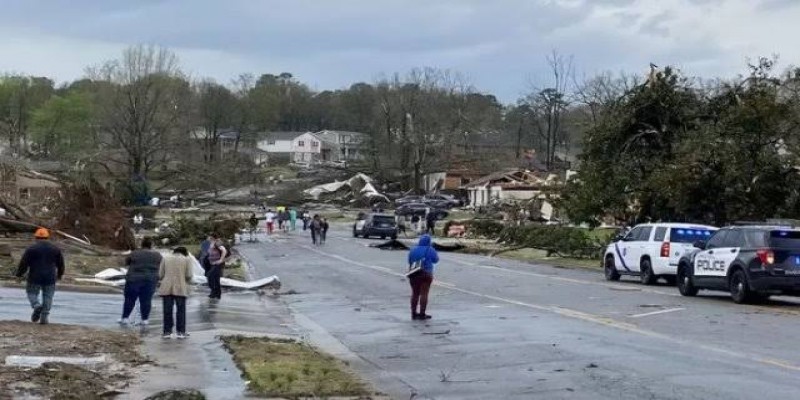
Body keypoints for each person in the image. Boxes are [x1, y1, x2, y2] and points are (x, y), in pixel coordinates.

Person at [15, 228, 65, 325]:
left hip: (34, 276)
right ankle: (44, 318)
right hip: (50, 277)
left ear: (36, 237)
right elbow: (61, 264)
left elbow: (24, 264)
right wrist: (59, 274)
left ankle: (36, 305)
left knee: (31, 293)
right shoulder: (55, 249)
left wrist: (19, 274)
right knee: (48, 296)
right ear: (47, 237)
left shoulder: (31, 249)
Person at [119, 237, 163, 326]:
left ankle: (125, 318)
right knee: (146, 300)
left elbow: (126, 262)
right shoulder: (158, 255)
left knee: (130, 299)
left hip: (133, 279)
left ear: (142, 245)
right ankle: (145, 319)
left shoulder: (134, 253)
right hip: (150, 280)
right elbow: (161, 265)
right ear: (151, 245)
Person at [159, 246, 194, 339]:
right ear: (184, 252)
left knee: (167, 311)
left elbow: (160, 274)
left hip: (166, 287)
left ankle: (167, 332)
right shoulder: (187, 259)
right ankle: (181, 332)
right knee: (181, 310)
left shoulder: (165, 258)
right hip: (181, 287)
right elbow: (189, 275)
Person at [407, 234, 439, 320]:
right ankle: (422, 314)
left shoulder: (413, 249)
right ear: (429, 242)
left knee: (415, 293)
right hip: (426, 273)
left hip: (413, 273)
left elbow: (409, 260)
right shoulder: (430, 249)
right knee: (424, 294)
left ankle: (413, 313)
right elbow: (436, 260)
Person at [206, 233, 227, 300]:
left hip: (217, 264)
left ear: (212, 237)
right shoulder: (211, 244)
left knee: (209, 276)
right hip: (212, 264)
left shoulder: (217, 243)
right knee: (216, 279)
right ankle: (218, 294)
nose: (208, 238)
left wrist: (221, 260)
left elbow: (224, 250)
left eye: (209, 237)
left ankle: (214, 292)